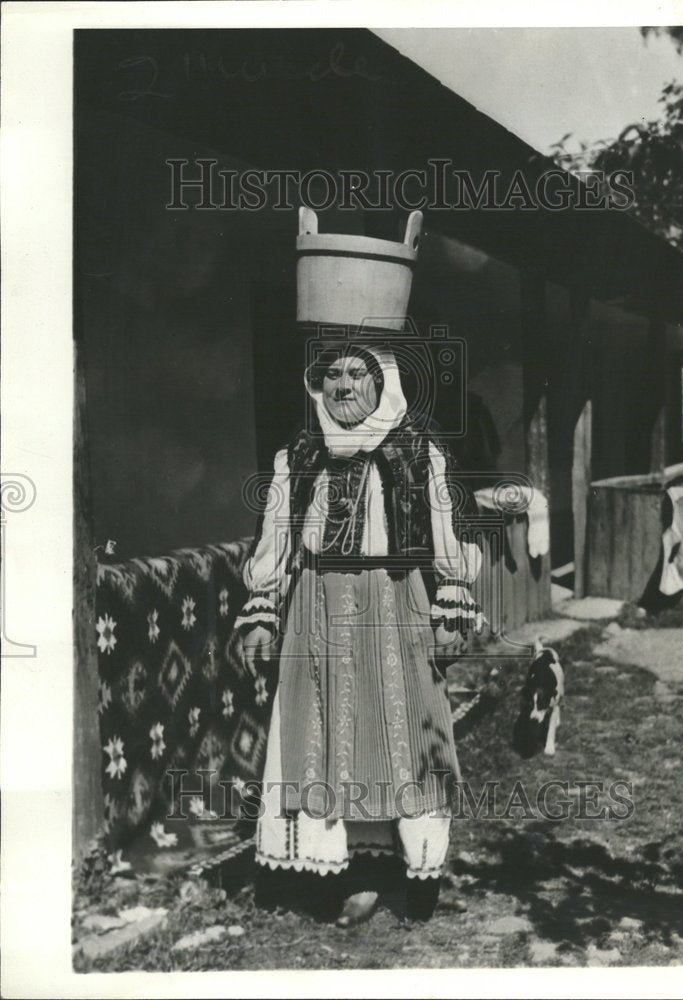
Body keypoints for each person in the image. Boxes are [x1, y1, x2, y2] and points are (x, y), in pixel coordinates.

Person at [234, 220, 483, 926]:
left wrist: (451, 607)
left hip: (393, 604)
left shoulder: (414, 456)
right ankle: (334, 868)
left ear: (384, 383)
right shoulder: (300, 458)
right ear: (318, 385)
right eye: (333, 374)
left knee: (400, 735)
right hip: (313, 608)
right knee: (321, 741)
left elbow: (443, 539)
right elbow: (278, 543)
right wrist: (260, 610)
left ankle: (413, 866)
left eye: (358, 374)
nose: (344, 385)